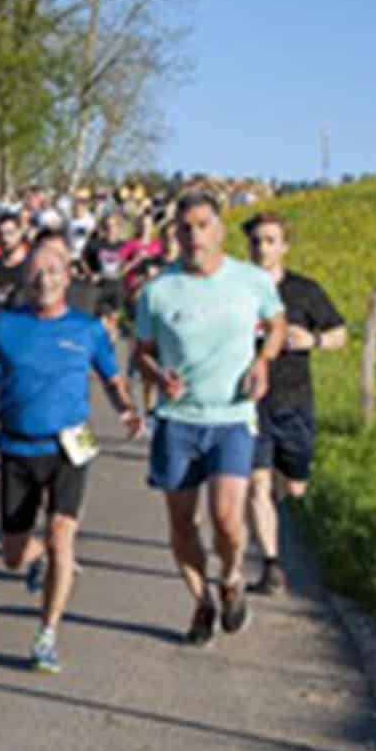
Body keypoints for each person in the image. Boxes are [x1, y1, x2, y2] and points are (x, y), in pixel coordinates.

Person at [0, 235, 144, 672]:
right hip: (17, 449)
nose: (45, 280)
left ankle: (46, 635)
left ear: (68, 276)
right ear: (25, 278)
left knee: (63, 535)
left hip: (71, 447)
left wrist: (127, 411)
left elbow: (112, 380)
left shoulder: (87, 329)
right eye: (36, 273)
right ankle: (41, 560)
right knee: (12, 556)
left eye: (53, 271)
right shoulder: (5, 326)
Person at [133, 193, 287, 645]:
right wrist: (158, 375)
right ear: (174, 234)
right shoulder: (158, 290)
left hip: (232, 416)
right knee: (182, 523)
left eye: (203, 226)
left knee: (225, 518)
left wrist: (263, 362)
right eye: (185, 228)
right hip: (178, 419)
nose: (194, 236)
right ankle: (201, 602)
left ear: (219, 230)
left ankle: (234, 576)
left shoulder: (251, 280)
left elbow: (276, 323)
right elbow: (141, 352)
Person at [240, 213, 348, 594]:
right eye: (256, 241)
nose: (262, 248)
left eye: (270, 241)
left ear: (284, 246)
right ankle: (271, 566)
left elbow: (339, 333)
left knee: (296, 486)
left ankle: (283, 521)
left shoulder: (304, 291)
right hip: (248, 402)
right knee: (257, 482)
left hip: (295, 401)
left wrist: (312, 341)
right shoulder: (235, 288)